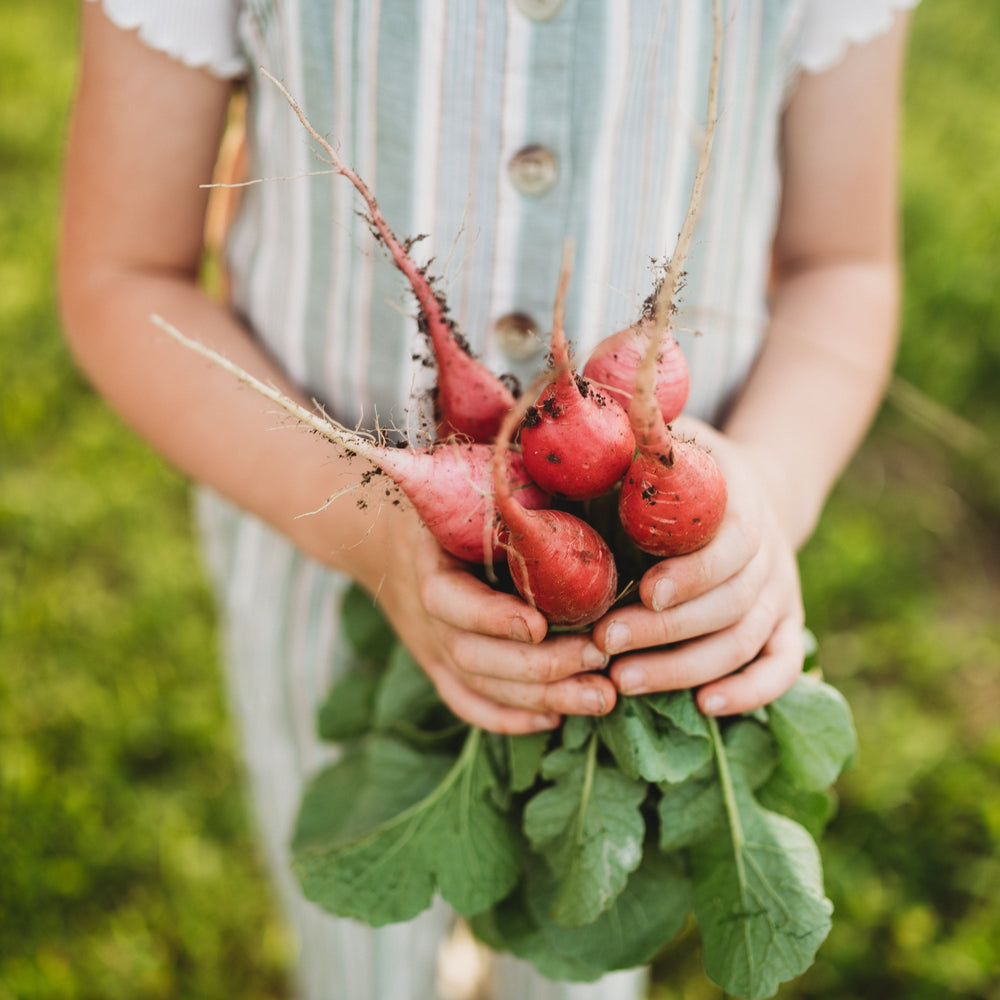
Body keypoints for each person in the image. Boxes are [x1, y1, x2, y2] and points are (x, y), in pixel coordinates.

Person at [58, 1, 918, 997]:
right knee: (356, 934)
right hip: (314, 551)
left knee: (576, 929)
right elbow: (121, 274)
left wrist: (769, 475)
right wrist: (369, 525)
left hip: (648, 639)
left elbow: (843, 264)